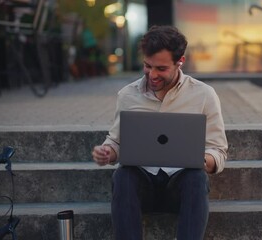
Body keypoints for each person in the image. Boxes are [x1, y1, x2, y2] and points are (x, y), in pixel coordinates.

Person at [91, 25, 228, 240]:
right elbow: (117, 142)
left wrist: (203, 160)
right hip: (141, 188)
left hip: (180, 188)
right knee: (123, 175)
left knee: (196, 178)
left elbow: (218, 149)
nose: (152, 75)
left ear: (180, 61)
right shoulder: (127, 95)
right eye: (147, 66)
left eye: (161, 69)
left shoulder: (204, 95)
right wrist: (108, 152)